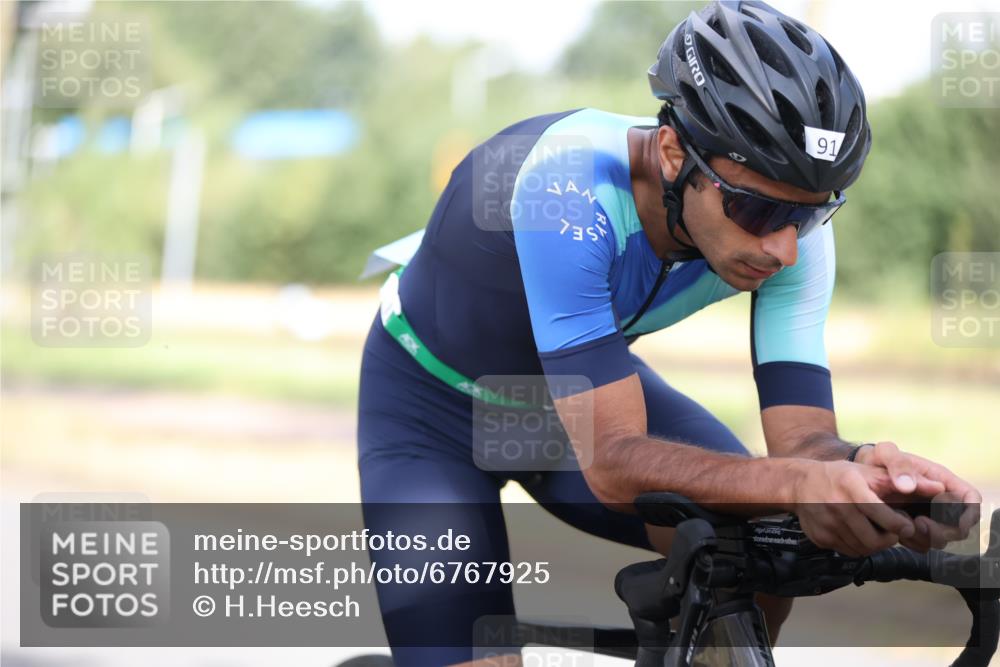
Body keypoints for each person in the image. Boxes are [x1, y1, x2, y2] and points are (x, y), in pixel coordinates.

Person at [356, 2, 982, 665]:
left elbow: (803, 444)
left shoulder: (791, 233)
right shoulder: (567, 186)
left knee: (760, 550)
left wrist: (865, 472)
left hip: (573, 402)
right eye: (755, 206)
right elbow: (614, 460)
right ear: (674, 150)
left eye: (809, 216)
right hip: (431, 412)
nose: (782, 247)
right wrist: (793, 482)